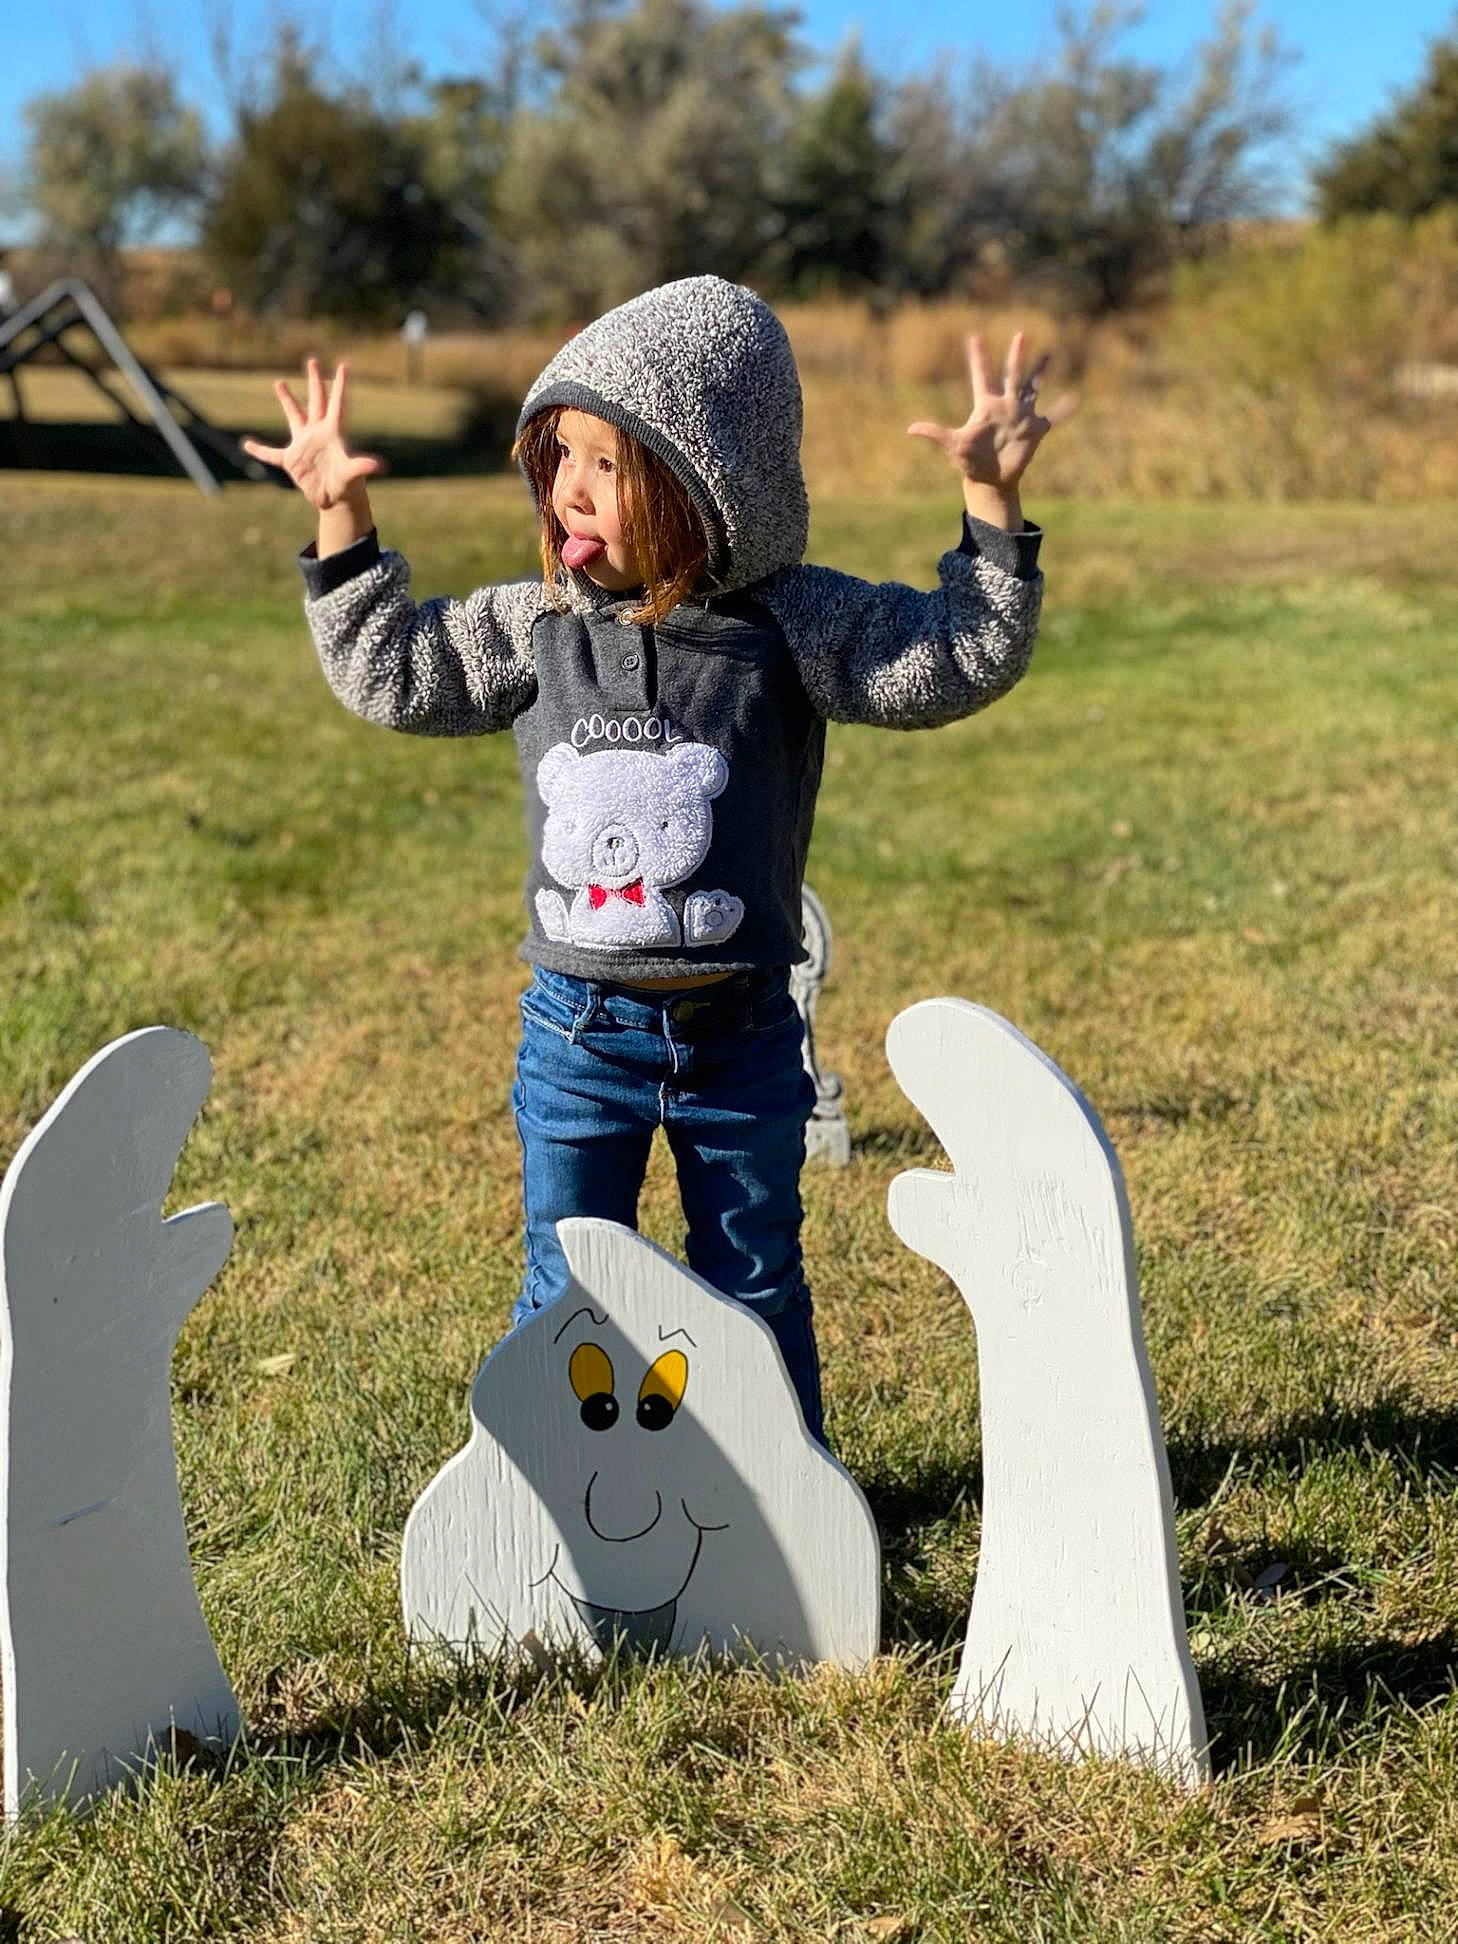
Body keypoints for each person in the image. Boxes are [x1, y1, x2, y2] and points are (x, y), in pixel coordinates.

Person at [242, 276, 1076, 1445]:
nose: (565, 488)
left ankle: (786, 1511)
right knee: (567, 1286)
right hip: (578, 1037)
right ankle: (555, 1508)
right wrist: (339, 517)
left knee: (753, 1283)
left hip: (741, 1041)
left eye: (604, 463)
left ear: (704, 482)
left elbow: (953, 658)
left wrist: (991, 502)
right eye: (557, 455)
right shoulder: (536, 625)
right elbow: (397, 671)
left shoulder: (786, 625)